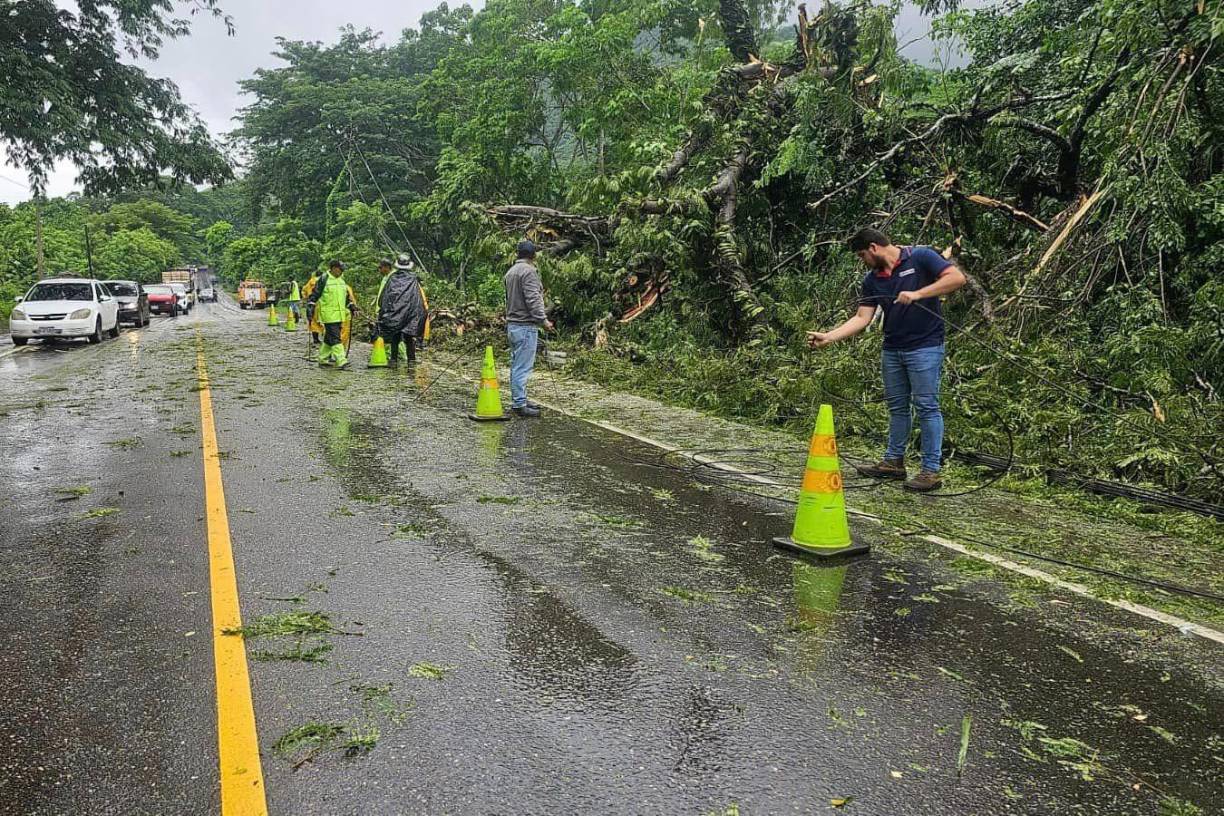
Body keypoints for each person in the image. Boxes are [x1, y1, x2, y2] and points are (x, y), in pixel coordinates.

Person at [807, 228, 966, 492]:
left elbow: (956, 278)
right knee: (897, 407)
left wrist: (919, 293)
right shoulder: (872, 280)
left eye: (861, 255)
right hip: (892, 348)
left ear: (873, 247)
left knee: (926, 406)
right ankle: (893, 462)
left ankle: (930, 470)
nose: (862, 261)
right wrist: (829, 337)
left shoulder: (921, 257)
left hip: (925, 346)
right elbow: (861, 318)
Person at [503, 240, 553, 417]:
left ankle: (520, 398)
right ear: (534, 255)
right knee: (522, 367)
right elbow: (533, 300)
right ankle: (519, 404)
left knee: (517, 364)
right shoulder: (529, 272)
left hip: (513, 325)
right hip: (525, 326)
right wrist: (544, 321)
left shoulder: (511, 272)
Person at [375, 254, 428, 366]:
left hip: (395, 313)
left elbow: (385, 296)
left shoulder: (392, 278)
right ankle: (411, 360)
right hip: (409, 313)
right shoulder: (413, 279)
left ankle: (393, 360)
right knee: (409, 338)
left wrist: (383, 311)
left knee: (395, 336)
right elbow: (417, 298)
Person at [306, 260, 358, 369]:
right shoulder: (324, 279)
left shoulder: (341, 281)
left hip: (340, 314)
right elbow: (315, 294)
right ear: (334, 268)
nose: (342, 272)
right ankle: (341, 360)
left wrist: (351, 306)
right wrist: (310, 306)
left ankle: (323, 358)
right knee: (335, 337)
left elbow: (345, 297)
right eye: (340, 269)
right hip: (328, 314)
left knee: (329, 338)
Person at [302, 269, 323, 345]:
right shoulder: (323, 281)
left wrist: (306, 298)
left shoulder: (310, 281)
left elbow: (304, 290)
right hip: (322, 303)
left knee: (313, 321)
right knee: (323, 321)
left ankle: (315, 339)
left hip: (312, 303)